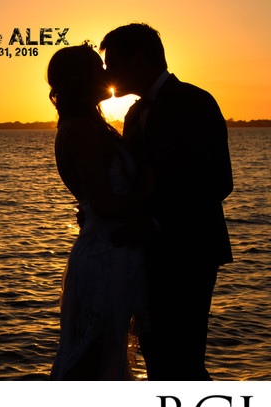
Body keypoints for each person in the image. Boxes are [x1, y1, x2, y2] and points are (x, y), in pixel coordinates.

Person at [101, 23, 233, 380]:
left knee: (183, 359)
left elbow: (218, 181)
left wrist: (157, 222)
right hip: (146, 256)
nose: (106, 72)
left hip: (190, 251)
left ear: (139, 58)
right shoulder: (133, 114)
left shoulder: (193, 101)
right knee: (158, 359)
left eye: (112, 63)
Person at [47, 42, 152, 380]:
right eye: (98, 68)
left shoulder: (89, 126)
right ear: (80, 79)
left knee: (106, 358)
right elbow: (104, 204)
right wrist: (154, 190)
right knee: (91, 362)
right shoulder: (80, 131)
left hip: (114, 251)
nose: (106, 73)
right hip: (106, 259)